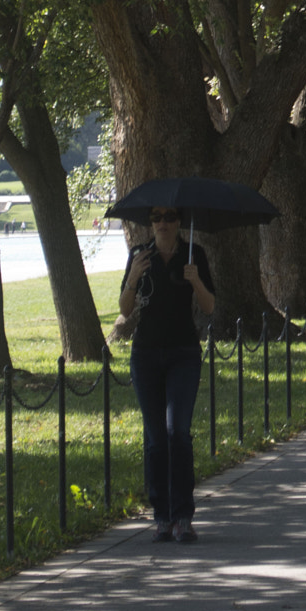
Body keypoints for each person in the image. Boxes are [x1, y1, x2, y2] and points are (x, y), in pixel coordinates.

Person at [119, 206, 217, 541]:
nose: (163, 223)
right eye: (157, 217)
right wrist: (132, 278)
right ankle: (162, 515)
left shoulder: (194, 254)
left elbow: (209, 306)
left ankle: (183, 516)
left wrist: (196, 280)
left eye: (170, 217)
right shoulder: (139, 255)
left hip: (183, 354)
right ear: (150, 223)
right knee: (156, 438)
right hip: (145, 355)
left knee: (178, 432)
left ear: (179, 223)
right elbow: (124, 308)